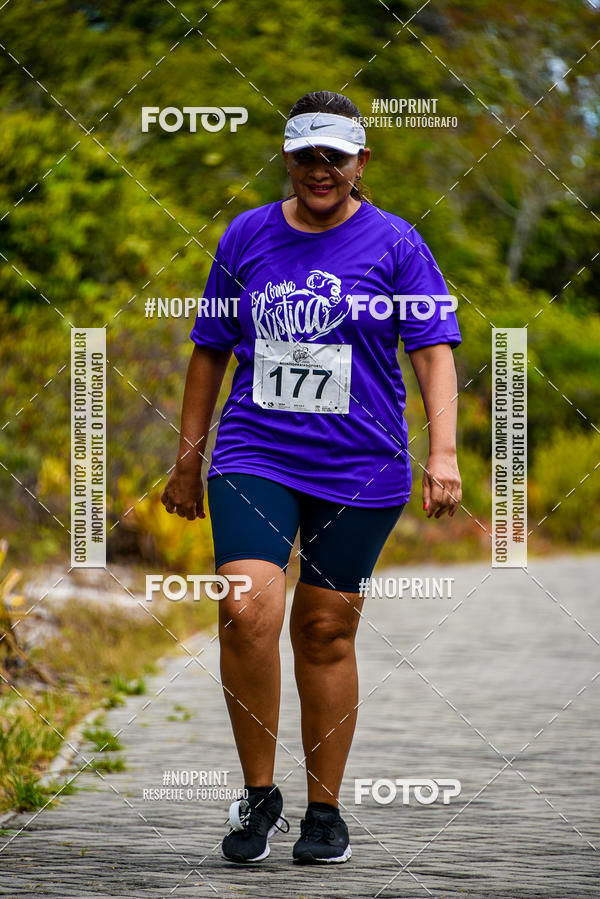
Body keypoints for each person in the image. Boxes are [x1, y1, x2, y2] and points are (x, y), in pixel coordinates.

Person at [161, 90, 462, 865]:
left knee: (325, 629)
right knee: (247, 606)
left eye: (335, 156)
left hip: (360, 462)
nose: (319, 170)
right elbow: (209, 349)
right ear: (287, 159)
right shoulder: (247, 235)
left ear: (362, 161)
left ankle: (325, 811)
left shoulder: (397, 243)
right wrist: (189, 459)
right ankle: (259, 796)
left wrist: (445, 454)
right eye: (306, 156)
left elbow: (432, 349)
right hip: (256, 451)